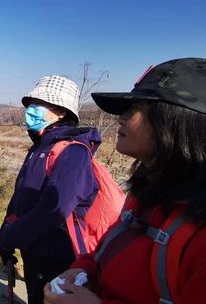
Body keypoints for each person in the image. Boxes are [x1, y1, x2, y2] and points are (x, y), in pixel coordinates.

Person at [44, 58, 206, 304]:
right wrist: (83, 270)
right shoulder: (145, 195)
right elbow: (109, 252)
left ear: (177, 121)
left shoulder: (199, 235)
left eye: (135, 108)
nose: (121, 118)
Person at [0, 75, 101, 304]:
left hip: (59, 256)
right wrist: (6, 233)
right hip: (35, 251)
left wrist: (12, 236)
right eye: (31, 104)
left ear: (61, 112)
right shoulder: (40, 148)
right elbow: (22, 198)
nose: (31, 110)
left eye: (39, 104)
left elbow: (53, 211)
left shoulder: (74, 152)